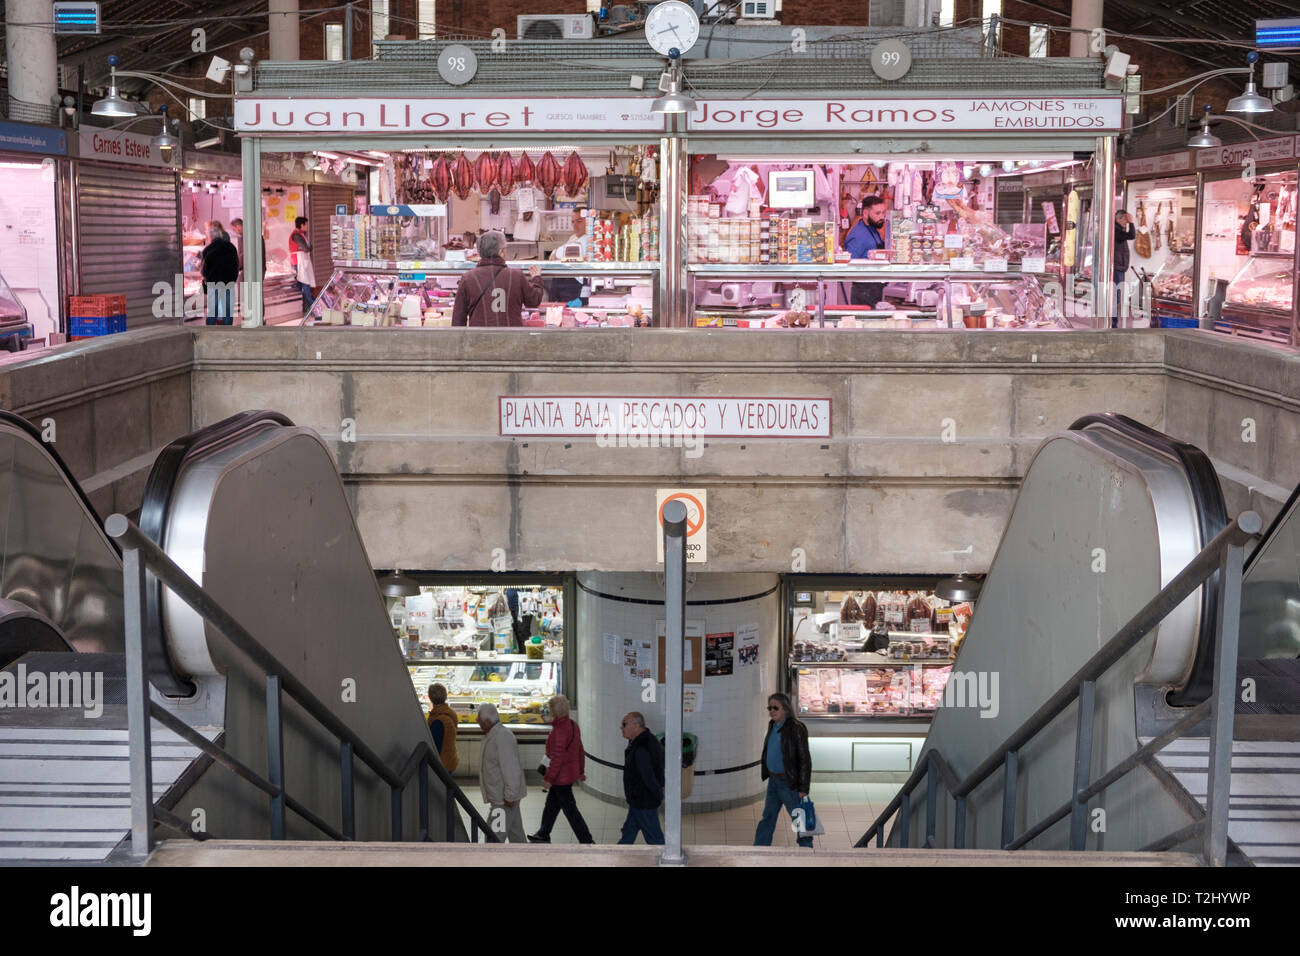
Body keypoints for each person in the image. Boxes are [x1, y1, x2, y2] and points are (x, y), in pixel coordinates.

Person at [528, 695, 595, 844]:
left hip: (560, 778)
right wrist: (581, 771)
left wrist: (548, 779)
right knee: (551, 806)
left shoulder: (559, 730)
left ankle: (587, 841)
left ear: (554, 711)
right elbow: (579, 749)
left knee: (571, 811)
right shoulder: (572, 725)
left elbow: (557, 758)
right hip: (568, 774)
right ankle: (543, 833)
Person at [753, 692, 814, 849]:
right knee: (768, 817)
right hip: (773, 782)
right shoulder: (772, 725)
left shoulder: (796, 728)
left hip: (789, 783)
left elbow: (805, 760)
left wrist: (803, 788)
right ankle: (759, 848)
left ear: (785, 709)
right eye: (770, 708)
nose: (771, 711)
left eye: (775, 708)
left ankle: (807, 848)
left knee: (798, 818)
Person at [451, 232, 545, 327]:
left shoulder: (468, 278)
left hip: (479, 339)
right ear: (501, 252)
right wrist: (536, 278)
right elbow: (533, 301)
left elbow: (458, 319)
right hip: (512, 339)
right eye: (505, 250)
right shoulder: (516, 275)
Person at [477, 703, 527, 842]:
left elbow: (511, 768)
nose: (477, 722)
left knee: (493, 838)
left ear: (487, 721)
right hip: (501, 797)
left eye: (479, 720)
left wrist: (510, 796)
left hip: (503, 800)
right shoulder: (491, 735)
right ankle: (526, 860)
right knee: (516, 836)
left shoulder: (502, 737)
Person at [617, 711, 665, 845]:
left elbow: (648, 777)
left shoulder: (641, 747)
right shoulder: (645, 740)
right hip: (638, 800)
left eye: (624, 724)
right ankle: (619, 856)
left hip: (644, 802)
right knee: (628, 832)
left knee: (655, 839)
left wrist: (658, 795)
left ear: (636, 725)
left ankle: (668, 861)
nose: (621, 727)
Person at [843, 196, 888, 308]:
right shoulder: (858, 235)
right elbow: (850, 267)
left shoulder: (872, 229)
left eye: (883, 213)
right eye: (877, 213)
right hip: (863, 291)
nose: (882, 217)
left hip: (876, 287)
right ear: (866, 213)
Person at [199, 221, 240, 326]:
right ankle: (227, 335)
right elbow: (236, 266)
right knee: (227, 313)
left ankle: (210, 335)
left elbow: (203, 271)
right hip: (228, 284)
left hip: (213, 285)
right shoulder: (231, 247)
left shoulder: (207, 250)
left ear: (210, 236)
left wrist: (207, 279)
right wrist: (232, 280)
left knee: (212, 312)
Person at [548, 208, 589, 304]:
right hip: (566, 284)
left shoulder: (588, 239)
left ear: (589, 222)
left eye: (579, 221)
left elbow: (558, 254)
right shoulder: (573, 237)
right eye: (573, 222)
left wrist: (557, 254)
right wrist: (556, 253)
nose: (575, 226)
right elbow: (553, 256)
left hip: (575, 288)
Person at [426, 683, 459, 774]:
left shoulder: (438, 721)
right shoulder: (450, 712)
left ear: (430, 697)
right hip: (452, 758)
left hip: (443, 764)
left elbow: (435, 747)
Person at [1113, 209, 1136, 327]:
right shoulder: (1116, 230)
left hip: (1119, 267)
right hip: (1117, 268)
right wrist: (1132, 223)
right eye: (1125, 220)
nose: (1126, 223)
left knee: (1116, 296)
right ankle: (1113, 323)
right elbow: (1132, 235)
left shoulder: (1118, 229)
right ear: (1119, 219)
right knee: (1115, 296)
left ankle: (1113, 322)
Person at [289, 215, 315, 312]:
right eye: (306, 224)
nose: (307, 226)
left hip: (301, 263)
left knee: (302, 285)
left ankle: (306, 307)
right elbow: (307, 248)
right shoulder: (296, 235)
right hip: (297, 263)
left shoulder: (301, 235)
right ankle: (314, 307)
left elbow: (307, 247)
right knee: (305, 284)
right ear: (302, 225)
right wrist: (306, 247)